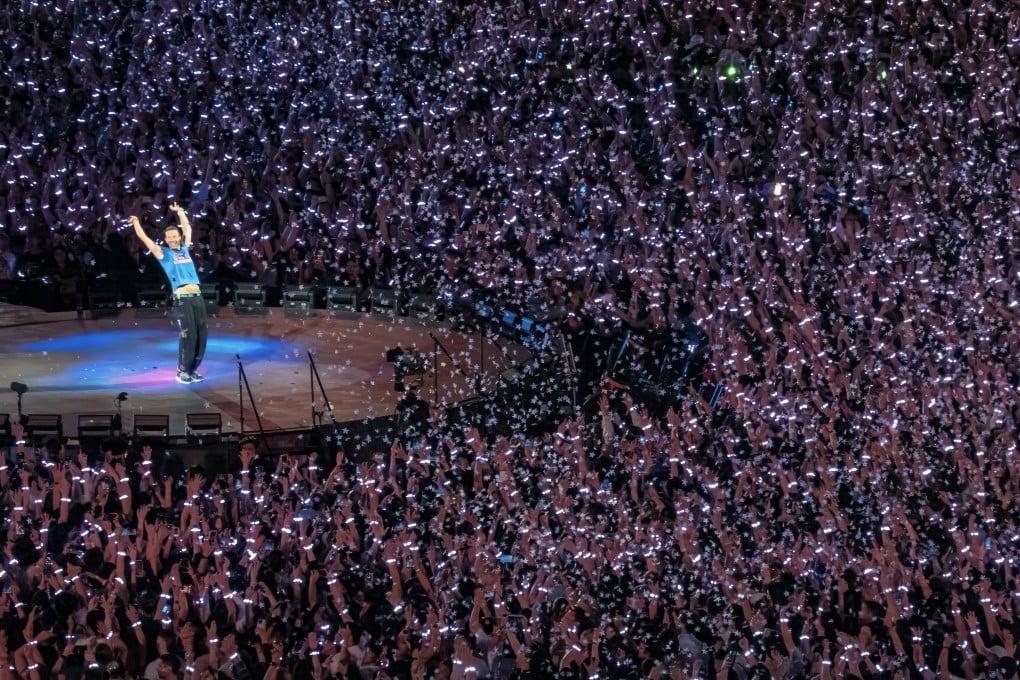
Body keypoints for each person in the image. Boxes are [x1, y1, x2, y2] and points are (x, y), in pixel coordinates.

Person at [130, 203, 208, 384]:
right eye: (169, 237)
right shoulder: (163, 253)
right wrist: (136, 223)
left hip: (197, 297)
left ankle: (192, 370)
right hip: (183, 300)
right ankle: (182, 371)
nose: (173, 239)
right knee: (189, 336)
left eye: (175, 236)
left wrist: (180, 212)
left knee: (201, 335)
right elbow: (144, 238)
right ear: (165, 239)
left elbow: (187, 228)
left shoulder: (184, 248)